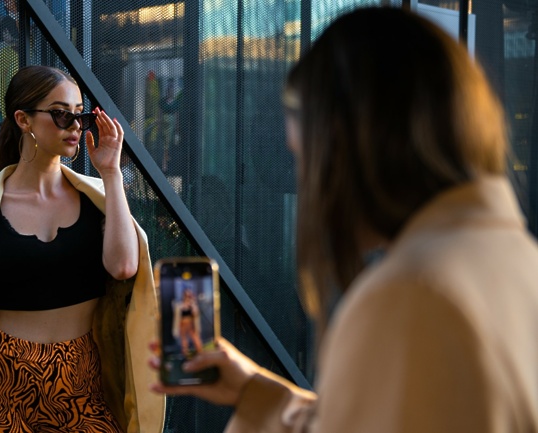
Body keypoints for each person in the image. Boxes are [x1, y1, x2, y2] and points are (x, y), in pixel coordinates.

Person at [149, 6, 538, 432]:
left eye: (303, 157)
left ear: (343, 144)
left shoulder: (407, 295)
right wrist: (252, 392)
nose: (304, 183)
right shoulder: (516, 260)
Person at [0, 65, 165, 432]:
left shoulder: (100, 198)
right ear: (23, 119)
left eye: (80, 115)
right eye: (61, 114)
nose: (75, 126)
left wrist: (111, 173)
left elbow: (124, 267)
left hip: (82, 380)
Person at [172, 288, 203, 357]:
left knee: (196, 338)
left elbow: (196, 314)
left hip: (190, 325)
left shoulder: (193, 305)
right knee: (184, 341)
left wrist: (192, 305)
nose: (188, 297)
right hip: (182, 325)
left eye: (189, 296)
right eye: (186, 295)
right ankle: (185, 354)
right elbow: (176, 318)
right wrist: (176, 329)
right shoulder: (180, 305)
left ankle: (200, 352)